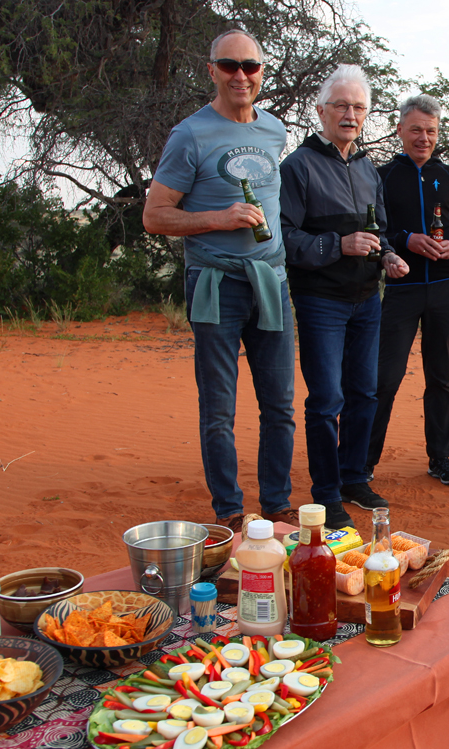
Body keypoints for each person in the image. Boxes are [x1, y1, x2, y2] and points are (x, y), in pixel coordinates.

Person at [143, 29, 296, 534]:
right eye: (229, 65)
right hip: (215, 282)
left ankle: (276, 504)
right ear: (212, 70)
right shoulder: (190, 134)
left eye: (250, 66)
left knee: (279, 402)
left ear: (261, 72)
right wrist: (219, 218)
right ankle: (228, 510)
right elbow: (156, 216)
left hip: (271, 281)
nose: (240, 75)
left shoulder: (274, 131)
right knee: (219, 406)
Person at [280, 64, 409, 530]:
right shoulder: (298, 166)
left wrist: (389, 256)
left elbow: (378, 231)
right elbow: (286, 238)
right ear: (321, 111)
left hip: (365, 299)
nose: (351, 114)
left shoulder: (367, 166)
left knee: (364, 393)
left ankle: (354, 476)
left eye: (359, 107)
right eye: (342, 106)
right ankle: (327, 494)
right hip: (321, 301)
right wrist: (338, 245)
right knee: (327, 398)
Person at [369, 94, 449, 486]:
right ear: (399, 130)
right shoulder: (380, 176)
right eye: (415, 129)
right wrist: (405, 240)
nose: (423, 137)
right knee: (385, 378)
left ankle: (440, 458)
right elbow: (374, 230)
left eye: (430, 131)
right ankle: (362, 463)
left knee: (440, 378)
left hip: (444, 289)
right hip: (402, 288)